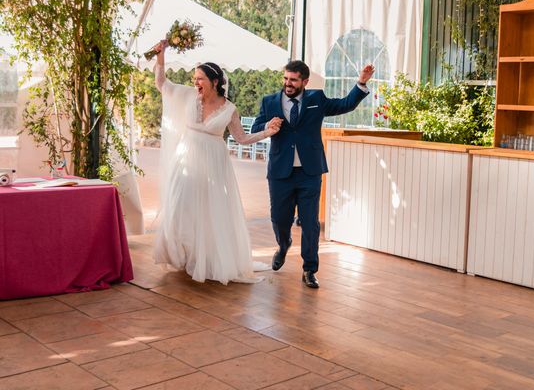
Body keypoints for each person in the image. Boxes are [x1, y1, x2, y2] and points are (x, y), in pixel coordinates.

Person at [151, 40, 282, 284]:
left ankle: (207, 258)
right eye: (194, 78)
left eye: (200, 78)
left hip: (213, 162)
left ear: (214, 82)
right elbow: (162, 84)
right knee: (180, 205)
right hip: (186, 158)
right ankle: (182, 254)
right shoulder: (189, 96)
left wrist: (267, 132)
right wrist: (161, 57)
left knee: (209, 210)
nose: (195, 82)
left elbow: (241, 138)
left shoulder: (229, 108)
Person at [251, 60, 374, 288]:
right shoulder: (269, 102)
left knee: (310, 223)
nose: (288, 83)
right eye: (286, 78)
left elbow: (344, 104)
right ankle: (284, 243)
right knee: (279, 219)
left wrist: (361, 83)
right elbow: (254, 129)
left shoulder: (316, 99)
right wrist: (268, 125)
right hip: (280, 172)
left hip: (310, 172)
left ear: (305, 82)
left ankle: (309, 269)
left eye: (293, 80)